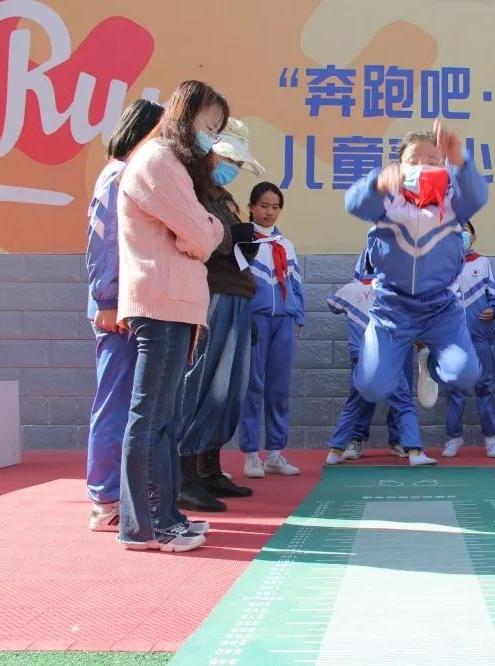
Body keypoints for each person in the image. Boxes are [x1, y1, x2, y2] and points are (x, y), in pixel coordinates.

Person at [115, 80, 228, 552]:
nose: (211, 136)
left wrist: (203, 230)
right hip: (161, 303)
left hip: (172, 303)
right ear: (184, 115)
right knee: (152, 417)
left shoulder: (170, 164)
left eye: (217, 129)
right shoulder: (159, 161)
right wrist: (210, 228)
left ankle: (163, 517)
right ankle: (147, 525)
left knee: (163, 419)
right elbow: (201, 237)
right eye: (208, 125)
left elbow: (197, 234)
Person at [343, 120, 489, 466]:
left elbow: (477, 195)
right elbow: (354, 203)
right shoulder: (386, 199)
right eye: (414, 160)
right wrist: (377, 183)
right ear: (399, 165)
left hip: (440, 308)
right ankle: (393, 359)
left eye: (433, 160)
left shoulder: (454, 200)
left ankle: (429, 362)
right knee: (372, 387)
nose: (424, 166)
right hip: (392, 307)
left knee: (464, 374)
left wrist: (460, 159)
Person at [175, 118, 265, 511]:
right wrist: (232, 238)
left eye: (237, 162)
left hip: (238, 295)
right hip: (212, 295)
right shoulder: (191, 191)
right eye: (228, 159)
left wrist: (243, 243)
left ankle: (210, 467)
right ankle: (185, 475)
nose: (232, 167)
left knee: (229, 389)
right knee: (203, 384)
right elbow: (198, 241)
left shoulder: (222, 195)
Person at [85, 99, 163, 531]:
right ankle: (105, 498)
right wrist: (107, 300)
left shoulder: (131, 174)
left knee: (128, 401)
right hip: (117, 310)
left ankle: (122, 494)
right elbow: (104, 242)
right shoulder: (118, 175)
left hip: (133, 306)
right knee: (114, 402)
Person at [325, 250, 422, 464]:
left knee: (354, 404)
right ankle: (414, 452)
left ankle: (335, 451)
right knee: (403, 404)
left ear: (365, 265)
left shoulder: (350, 290)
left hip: (360, 357)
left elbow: (332, 304)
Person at [239, 182, 305, 476]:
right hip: (255, 320)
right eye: (264, 206)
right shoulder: (243, 242)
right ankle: (251, 454)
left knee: (279, 388)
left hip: (284, 322)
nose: (270, 212)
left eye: (276, 207)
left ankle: (275, 453)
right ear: (251, 207)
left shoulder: (285, 244)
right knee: (253, 386)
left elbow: (296, 285)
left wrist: (298, 317)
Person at [443, 220, 495, 458]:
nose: (461, 235)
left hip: (481, 337)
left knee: (485, 387)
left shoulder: (483, 263)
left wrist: (494, 310)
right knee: (454, 389)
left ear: (473, 236)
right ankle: (454, 438)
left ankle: (490, 438)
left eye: (465, 231)